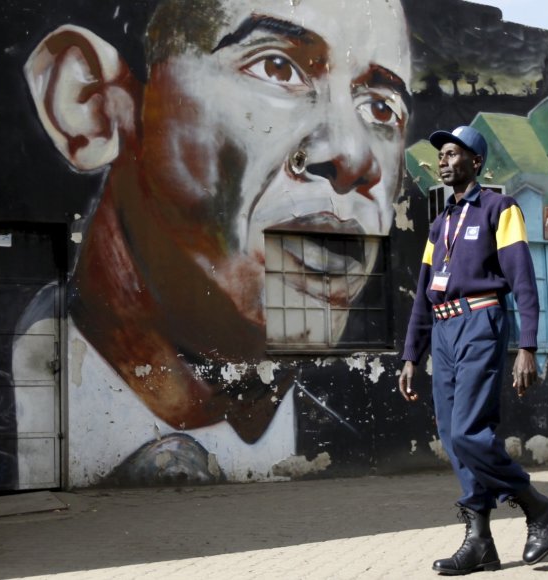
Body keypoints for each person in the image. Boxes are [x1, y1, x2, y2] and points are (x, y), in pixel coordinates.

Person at [21, 0, 413, 480]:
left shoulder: (355, 446)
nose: (354, 155)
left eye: (381, 107)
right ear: (92, 105)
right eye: (277, 67)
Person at [398, 126, 548, 574]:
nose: (444, 161)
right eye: (442, 155)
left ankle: (537, 507)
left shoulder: (499, 208)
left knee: (471, 431)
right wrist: (412, 356)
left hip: (482, 321)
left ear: (476, 162)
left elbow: (523, 282)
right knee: (454, 438)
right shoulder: (440, 224)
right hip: (444, 329)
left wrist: (526, 346)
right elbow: (421, 296)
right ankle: (480, 543)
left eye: (453, 153)